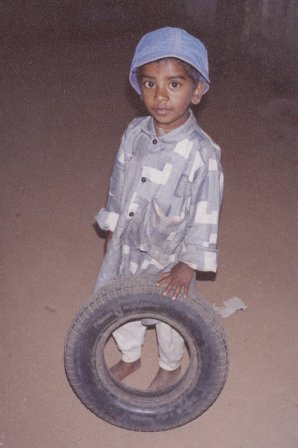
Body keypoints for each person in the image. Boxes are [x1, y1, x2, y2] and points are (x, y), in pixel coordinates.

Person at [94, 27, 223, 390]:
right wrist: (112, 225)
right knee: (121, 305)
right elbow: (119, 182)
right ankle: (130, 355)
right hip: (129, 245)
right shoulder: (133, 133)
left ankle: (169, 364)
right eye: (150, 84)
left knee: (171, 317)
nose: (160, 96)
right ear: (139, 87)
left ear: (196, 91)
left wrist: (188, 264)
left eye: (174, 84)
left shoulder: (202, 154)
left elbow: (206, 210)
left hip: (171, 255)